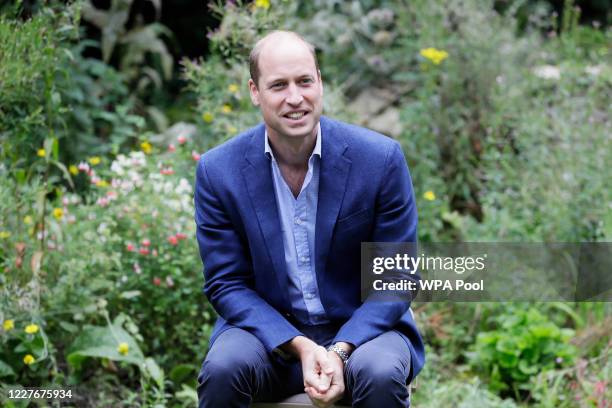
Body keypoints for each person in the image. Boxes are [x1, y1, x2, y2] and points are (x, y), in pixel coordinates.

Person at [194, 30, 424, 408]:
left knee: (381, 373)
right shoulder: (219, 172)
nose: (295, 97)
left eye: (304, 81)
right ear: (255, 92)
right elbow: (226, 283)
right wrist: (299, 346)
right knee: (224, 368)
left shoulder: (379, 160)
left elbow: (396, 278)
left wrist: (341, 349)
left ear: (320, 81)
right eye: (278, 85)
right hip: (267, 337)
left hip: (364, 334)